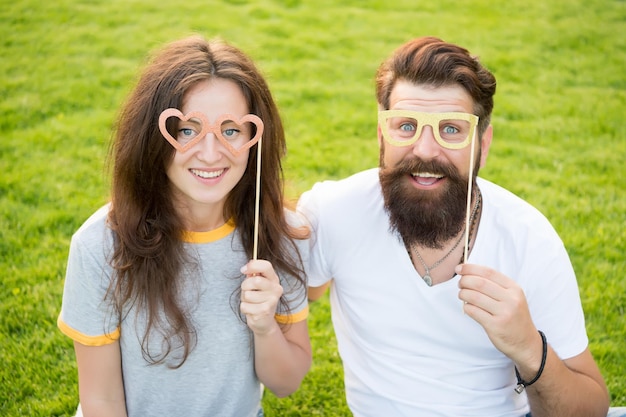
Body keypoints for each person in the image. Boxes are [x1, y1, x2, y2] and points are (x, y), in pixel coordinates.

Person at [298, 37, 616, 417]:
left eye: (451, 129)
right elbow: (303, 288)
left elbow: (591, 407)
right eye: (406, 126)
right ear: (382, 134)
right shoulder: (333, 213)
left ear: (483, 144)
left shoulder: (529, 239)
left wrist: (529, 347)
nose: (426, 150)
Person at [58, 35, 311, 417]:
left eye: (231, 131)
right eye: (187, 130)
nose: (210, 154)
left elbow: (285, 384)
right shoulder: (100, 246)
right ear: (151, 137)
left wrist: (265, 327)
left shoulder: (279, 233)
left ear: (255, 139)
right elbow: (102, 401)